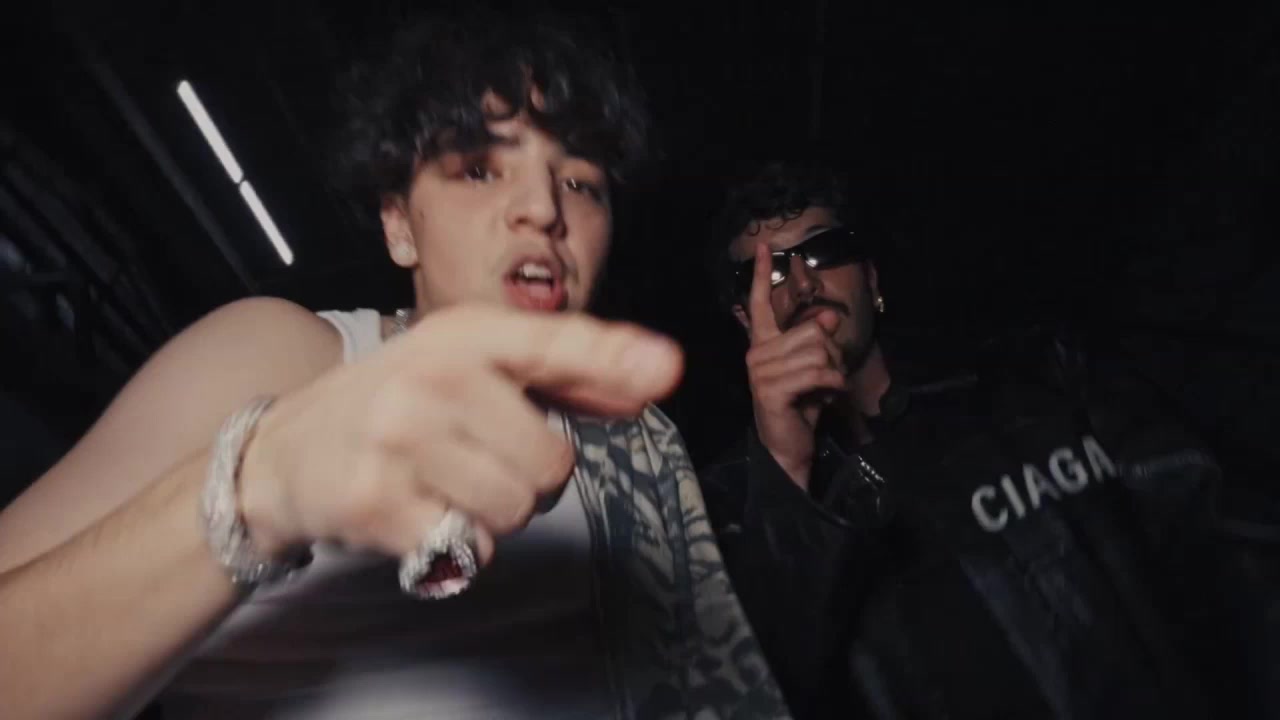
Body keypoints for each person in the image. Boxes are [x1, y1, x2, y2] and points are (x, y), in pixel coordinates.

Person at [0, 10, 788, 719]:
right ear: (398, 225)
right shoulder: (285, 356)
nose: (545, 209)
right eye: (479, 167)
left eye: (581, 182)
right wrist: (260, 486)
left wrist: (788, 462)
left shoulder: (642, 442)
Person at [699, 161, 1250, 719]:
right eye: (769, 273)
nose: (802, 284)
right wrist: (785, 468)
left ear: (872, 280)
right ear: (746, 319)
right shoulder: (724, 506)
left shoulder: (1041, 378)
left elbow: (1226, 557)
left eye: (824, 251)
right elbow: (753, 690)